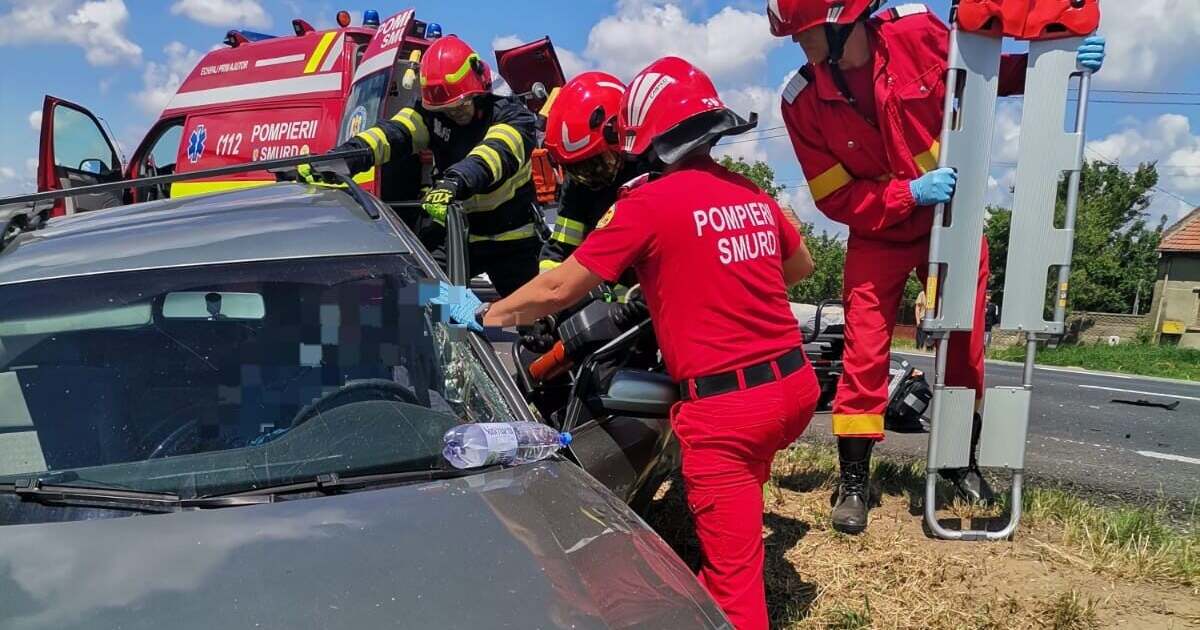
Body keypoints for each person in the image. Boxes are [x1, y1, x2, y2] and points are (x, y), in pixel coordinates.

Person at [475, 57, 820, 630]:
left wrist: (487, 311)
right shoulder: (750, 193)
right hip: (794, 390)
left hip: (729, 414)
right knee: (738, 514)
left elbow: (559, 287)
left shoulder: (646, 205)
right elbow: (800, 266)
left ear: (644, 137)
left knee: (732, 594)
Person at [769, 0, 1106, 534]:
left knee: (965, 348)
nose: (797, 43)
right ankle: (854, 481)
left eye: (804, 31)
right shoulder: (802, 102)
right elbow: (833, 197)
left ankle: (957, 462)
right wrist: (908, 194)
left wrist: (1058, 65)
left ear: (841, 21)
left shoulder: (917, 35)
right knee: (863, 353)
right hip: (878, 230)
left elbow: (988, 74)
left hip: (953, 219)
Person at [316, 35, 542, 297]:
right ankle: (462, 318)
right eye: (446, 110)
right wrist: (340, 160)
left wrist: (454, 181)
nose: (453, 115)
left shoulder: (513, 116)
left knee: (529, 313)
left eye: (460, 107)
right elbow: (392, 134)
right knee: (428, 298)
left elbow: (493, 155)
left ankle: (503, 319)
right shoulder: (434, 114)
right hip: (458, 233)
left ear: (479, 92)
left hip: (511, 239)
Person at [538, 71, 645, 274]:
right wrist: (546, 280)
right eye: (578, 169)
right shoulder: (579, 183)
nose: (589, 175)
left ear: (618, 134)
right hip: (607, 286)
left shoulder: (653, 173)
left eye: (595, 163)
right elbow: (560, 248)